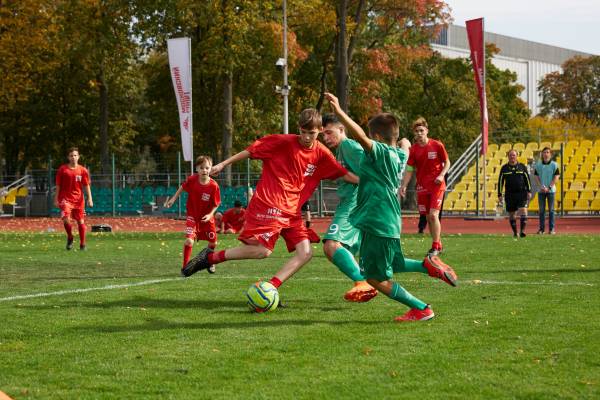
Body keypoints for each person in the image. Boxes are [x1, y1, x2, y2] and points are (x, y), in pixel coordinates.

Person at [182, 108, 357, 297]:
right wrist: (223, 164)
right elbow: (250, 151)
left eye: (312, 133)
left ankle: (270, 288)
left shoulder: (322, 154)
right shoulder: (282, 142)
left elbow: (343, 173)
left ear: (320, 130)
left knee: (305, 253)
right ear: (299, 128)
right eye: (304, 132)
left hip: (292, 211)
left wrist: (373, 182)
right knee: (263, 251)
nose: (307, 137)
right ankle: (210, 258)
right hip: (271, 204)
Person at [325, 92, 458, 322]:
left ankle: (421, 308)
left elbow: (360, 137)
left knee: (373, 278)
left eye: (370, 137)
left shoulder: (382, 153)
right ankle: (429, 266)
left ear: (376, 136)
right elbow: (405, 145)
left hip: (377, 219)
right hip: (388, 218)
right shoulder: (398, 153)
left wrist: (340, 113)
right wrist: (403, 141)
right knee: (394, 264)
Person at [320, 113, 377, 302]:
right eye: (323, 135)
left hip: (354, 203)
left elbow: (371, 174)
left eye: (329, 132)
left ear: (342, 129)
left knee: (331, 246)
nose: (326, 138)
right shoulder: (340, 150)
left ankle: (362, 282)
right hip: (354, 203)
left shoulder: (348, 146)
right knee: (342, 252)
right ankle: (365, 282)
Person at [400, 118, 450, 256]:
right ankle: (438, 244)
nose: (419, 133)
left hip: (436, 186)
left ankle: (435, 247)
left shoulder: (437, 145)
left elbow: (447, 162)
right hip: (422, 186)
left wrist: (441, 175)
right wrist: (403, 185)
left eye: (421, 130)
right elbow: (409, 170)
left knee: (434, 215)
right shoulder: (414, 150)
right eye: (417, 131)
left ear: (427, 131)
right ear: (414, 134)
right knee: (428, 218)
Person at [164, 155, 221, 273]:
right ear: (197, 169)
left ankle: (210, 262)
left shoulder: (214, 186)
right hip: (192, 217)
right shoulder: (192, 179)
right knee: (189, 241)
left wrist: (210, 215)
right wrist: (173, 199)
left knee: (213, 242)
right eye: (201, 168)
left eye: (207, 168)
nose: (204, 170)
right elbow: (182, 187)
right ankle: (185, 267)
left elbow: (216, 204)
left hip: (207, 219)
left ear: (211, 169)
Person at [54, 147, 93, 250]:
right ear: (68, 157)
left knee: (81, 222)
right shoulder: (63, 170)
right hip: (65, 199)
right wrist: (56, 199)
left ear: (78, 157)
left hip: (79, 200)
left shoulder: (83, 170)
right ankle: (70, 237)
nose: (73, 157)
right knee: (66, 220)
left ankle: (82, 244)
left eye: (75, 155)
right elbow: (58, 185)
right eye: (71, 155)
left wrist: (90, 198)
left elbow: (86, 185)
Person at [497, 149, 532, 237]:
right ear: (508, 156)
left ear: (517, 156)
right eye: (510, 155)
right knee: (512, 214)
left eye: (514, 155)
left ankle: (522, 231)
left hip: (521, 193)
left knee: (523, 210)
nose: (512, 157)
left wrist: (529, 191)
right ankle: (515, 232)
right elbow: (500, 181)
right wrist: (499, 194)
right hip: (509, 194)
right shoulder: (504, 168)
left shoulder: (522, 167)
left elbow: (527, 179)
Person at [533, 147, 559, 234]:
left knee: (551, 210)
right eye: (544, 152)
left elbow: (556, 177)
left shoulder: (554, 165)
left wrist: (549, 187)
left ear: (550, 154)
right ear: (542, 154)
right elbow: (536, 177)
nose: (546, 154)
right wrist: (541, 186)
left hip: (551, 191)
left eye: (548, 152)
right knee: (541, 211)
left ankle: (551, 229)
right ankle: (541, 229)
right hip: (541, 191)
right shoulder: (538, 165)